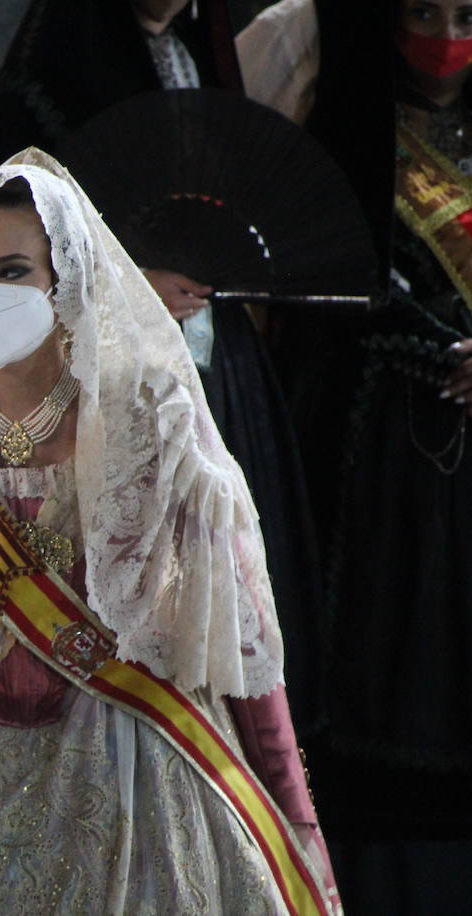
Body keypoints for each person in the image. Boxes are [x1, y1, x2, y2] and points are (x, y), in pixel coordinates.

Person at [0, 151, 339, 914]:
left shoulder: (151, 413)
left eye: (11, 271)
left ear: (65, 278)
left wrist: (293, 818)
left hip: (133, 746)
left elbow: (237, 626)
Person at [0, 0, 327, 737]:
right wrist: (131, 280)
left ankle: (239, 743)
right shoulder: (54, 59)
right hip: (95, 360)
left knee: (224, 542)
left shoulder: (199, 55)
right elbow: (17, 217)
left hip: (209, 345)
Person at [249, 0, 472, 908]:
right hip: (373, 461)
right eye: (425, 9)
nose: (447, 34)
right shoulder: (332, 104)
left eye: (465, 13)